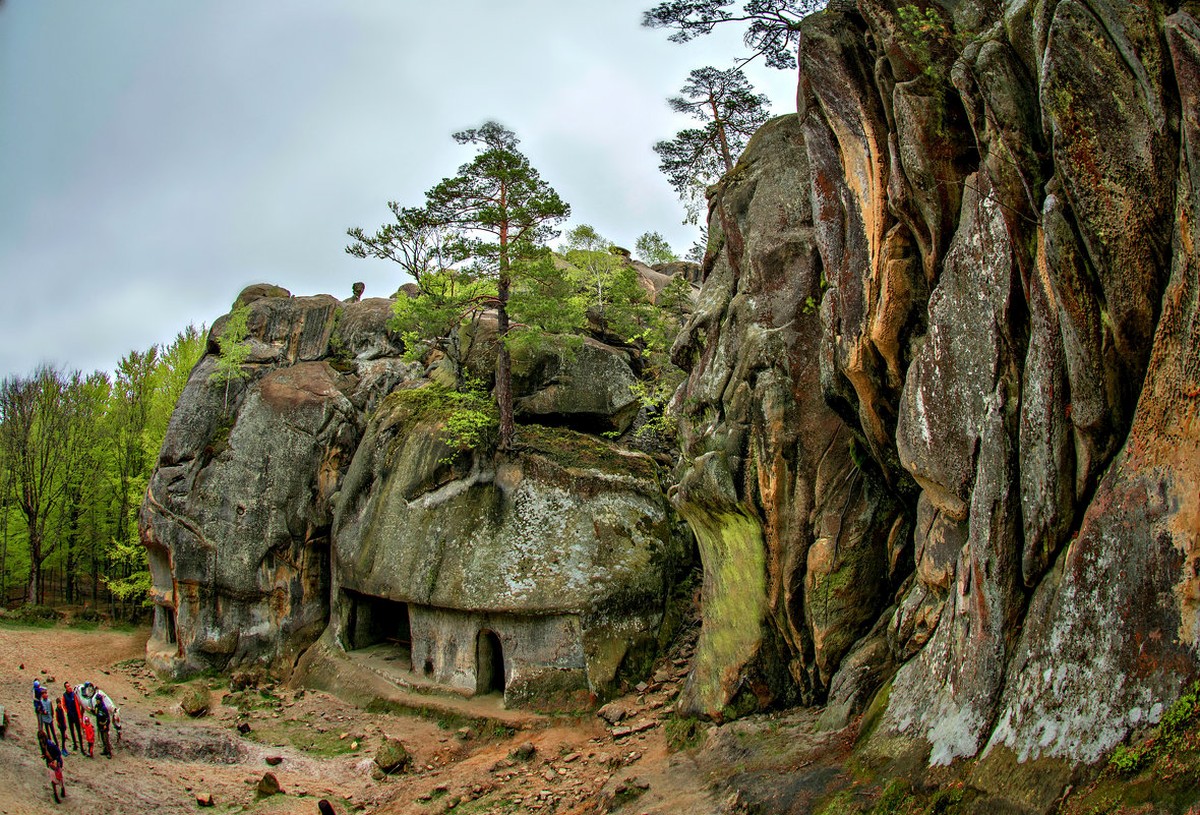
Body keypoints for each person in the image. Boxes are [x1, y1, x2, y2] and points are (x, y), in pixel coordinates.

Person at [62, 681, 84, 752]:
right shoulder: (64, 695)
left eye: (69, 686)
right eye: (68, 686)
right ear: (65, 688)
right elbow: (64, 704)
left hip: (75, 715)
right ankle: (75, 744)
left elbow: (77, 705)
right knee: (72, 730)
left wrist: (80, 716)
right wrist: (67, 711)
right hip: (70, 715)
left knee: (78, 731)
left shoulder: (73, 695)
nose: (69, 687)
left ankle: (81, 747)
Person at [93, 687, 113, 758]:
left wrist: (106, 725)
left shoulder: (104, 708)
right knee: (102, 739)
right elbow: (96, 713)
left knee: (106, 739)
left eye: (97, 700)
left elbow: (107, 718)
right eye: (96, 700)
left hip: (104, 725)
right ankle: (105, 750)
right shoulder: (97, 707)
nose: (97, 701)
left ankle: (109, 752)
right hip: (99, 725)